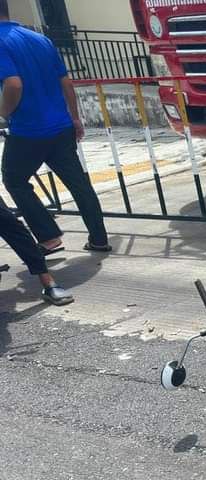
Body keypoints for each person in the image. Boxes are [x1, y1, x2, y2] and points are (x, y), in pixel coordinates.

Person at [0, 0, 109, 304]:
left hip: (29, 131)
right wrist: (75, 117)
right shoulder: (40, 38)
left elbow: (13, 84)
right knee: (78, 182)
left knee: (14, 179)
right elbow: (66, 81)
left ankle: (48, 236)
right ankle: (99, 238)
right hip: (60, 126)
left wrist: (4, 112)